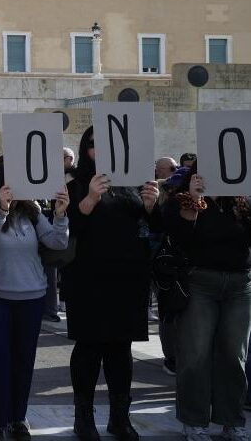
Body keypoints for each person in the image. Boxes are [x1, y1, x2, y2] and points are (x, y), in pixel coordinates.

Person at [64, 127, 160, 441]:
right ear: (85, 149)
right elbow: (70, 226)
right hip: (88, 278)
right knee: (89, 347)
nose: (100, 151)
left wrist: (152, 206)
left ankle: (120, 418)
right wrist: (91, 198)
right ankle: (84, 418)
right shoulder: (76, 183)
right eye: (94, 145)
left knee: (120, 349)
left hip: (128, 277)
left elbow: (154, 226)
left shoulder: (132, 184)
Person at [0, 156, 70, 441]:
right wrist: (2, 210)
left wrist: (61, 215)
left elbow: (57, 242)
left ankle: (18, 418)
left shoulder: (33, 210)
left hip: (31, 297)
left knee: (23, 360)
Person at [162, 169, 251, 441]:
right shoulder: (182, 199)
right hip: (200, 281)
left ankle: (231, 420)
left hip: (239, 283)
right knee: (195, 354)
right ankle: (194, 420)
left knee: (234, 355)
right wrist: (194, 200)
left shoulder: (239, 199)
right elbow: (180, 238)